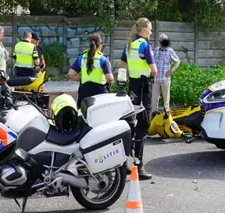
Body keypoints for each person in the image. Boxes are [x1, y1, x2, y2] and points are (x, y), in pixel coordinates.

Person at [119, 18, 157, 180]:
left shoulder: (129, 45)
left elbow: (122, 64)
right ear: (144, 30)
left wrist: (132, 72)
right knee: (144, 124)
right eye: (150, 28)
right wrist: (151, 78)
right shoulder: (144, 45)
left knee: (130, 123)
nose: (151, 31)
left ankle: (123, 163)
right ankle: (139, 166)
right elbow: (154, 70)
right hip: (144, 87)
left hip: (133, 88)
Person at [68, 33, 114, 104]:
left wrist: (81, 79)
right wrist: (109, 82)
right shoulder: (103, 59)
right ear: (100, 45)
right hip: (100, 94)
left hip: (84, 93)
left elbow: (71, 74)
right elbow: (110, 79)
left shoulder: (82, 57)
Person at [152, 33, 180, 116]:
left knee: (166, 99)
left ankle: (167, 116)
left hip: (165, 79)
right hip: (156, 79)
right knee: (154, 99)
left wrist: (172, 70)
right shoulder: (156, 50)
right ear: (159, 41)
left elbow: (177, 61)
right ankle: (154, 116)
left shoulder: (170, 51)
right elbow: (151, 62)